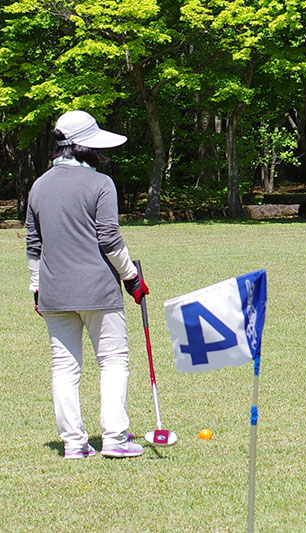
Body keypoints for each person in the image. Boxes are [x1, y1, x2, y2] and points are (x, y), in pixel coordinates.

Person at [26, 110, 150, 458]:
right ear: (83, 147)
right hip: (98, 290)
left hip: (53, 290)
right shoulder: (100, 184)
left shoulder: (38, 186)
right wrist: (132, 277)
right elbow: (109, 239)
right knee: (113, 361)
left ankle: (74, 444)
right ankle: (115, 438)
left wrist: (36, 288)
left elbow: (33, 246)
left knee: (64, 366)